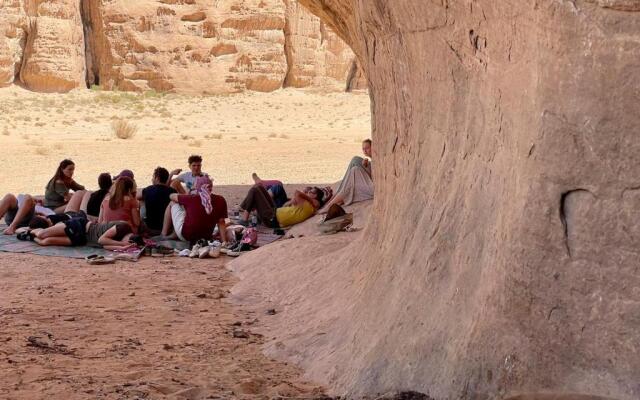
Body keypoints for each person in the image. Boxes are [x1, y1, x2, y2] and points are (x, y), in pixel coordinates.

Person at [161, 176, 227, 244]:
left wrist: (188, 193)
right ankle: (173, 234)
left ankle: (163, 233)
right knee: (189, 211)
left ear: (197, 187)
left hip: (186, 236)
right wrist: (224, 241)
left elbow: (171, 196)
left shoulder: (191, 198)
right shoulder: (220, 200)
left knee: (173, 203)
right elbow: (221, 222)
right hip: (206, 237)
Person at [26, 215, 138, 251]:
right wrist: (122, 244)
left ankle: (30, 236)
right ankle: (30, 230)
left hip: (82, 239)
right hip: (81, 227)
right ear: (129, 237)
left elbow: (105, 246)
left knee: (45, 242)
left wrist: (122, 248)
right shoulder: (123, 227)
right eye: (128, 242)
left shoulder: (120, 242)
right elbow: (101, 240)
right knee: (42, 234)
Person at [321, 138, 374, 212]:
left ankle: (330, 204)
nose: (365, 151)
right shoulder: (372, 159)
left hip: (372, 189)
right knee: (354, 169)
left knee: (355, 163)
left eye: (367, 148)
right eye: (363, 149)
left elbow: (373, 176)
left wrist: (367, 166)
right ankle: (337, 198)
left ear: (373, 147)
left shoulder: (376, 159)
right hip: (370, 183)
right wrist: (367, 165)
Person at [238, 185, 324, 228]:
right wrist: (292, 201)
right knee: (259, 187)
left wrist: (309, 198)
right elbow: (285, 205)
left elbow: (297, 192)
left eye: (311, 192)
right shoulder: (307, 203)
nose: (308, 193)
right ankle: (244, 208)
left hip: (272, 219)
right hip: (274, 212)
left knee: (255, 190)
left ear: (315, 197)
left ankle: (245, 218)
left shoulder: (309, 206)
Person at [138, 167, 176, 234]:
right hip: (168, 229)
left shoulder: (148, 190)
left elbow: (136, 196)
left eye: (153, 177)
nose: (152, 179)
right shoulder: (172, 191)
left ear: (157, 178)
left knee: (141, 201)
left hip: (150, 228)